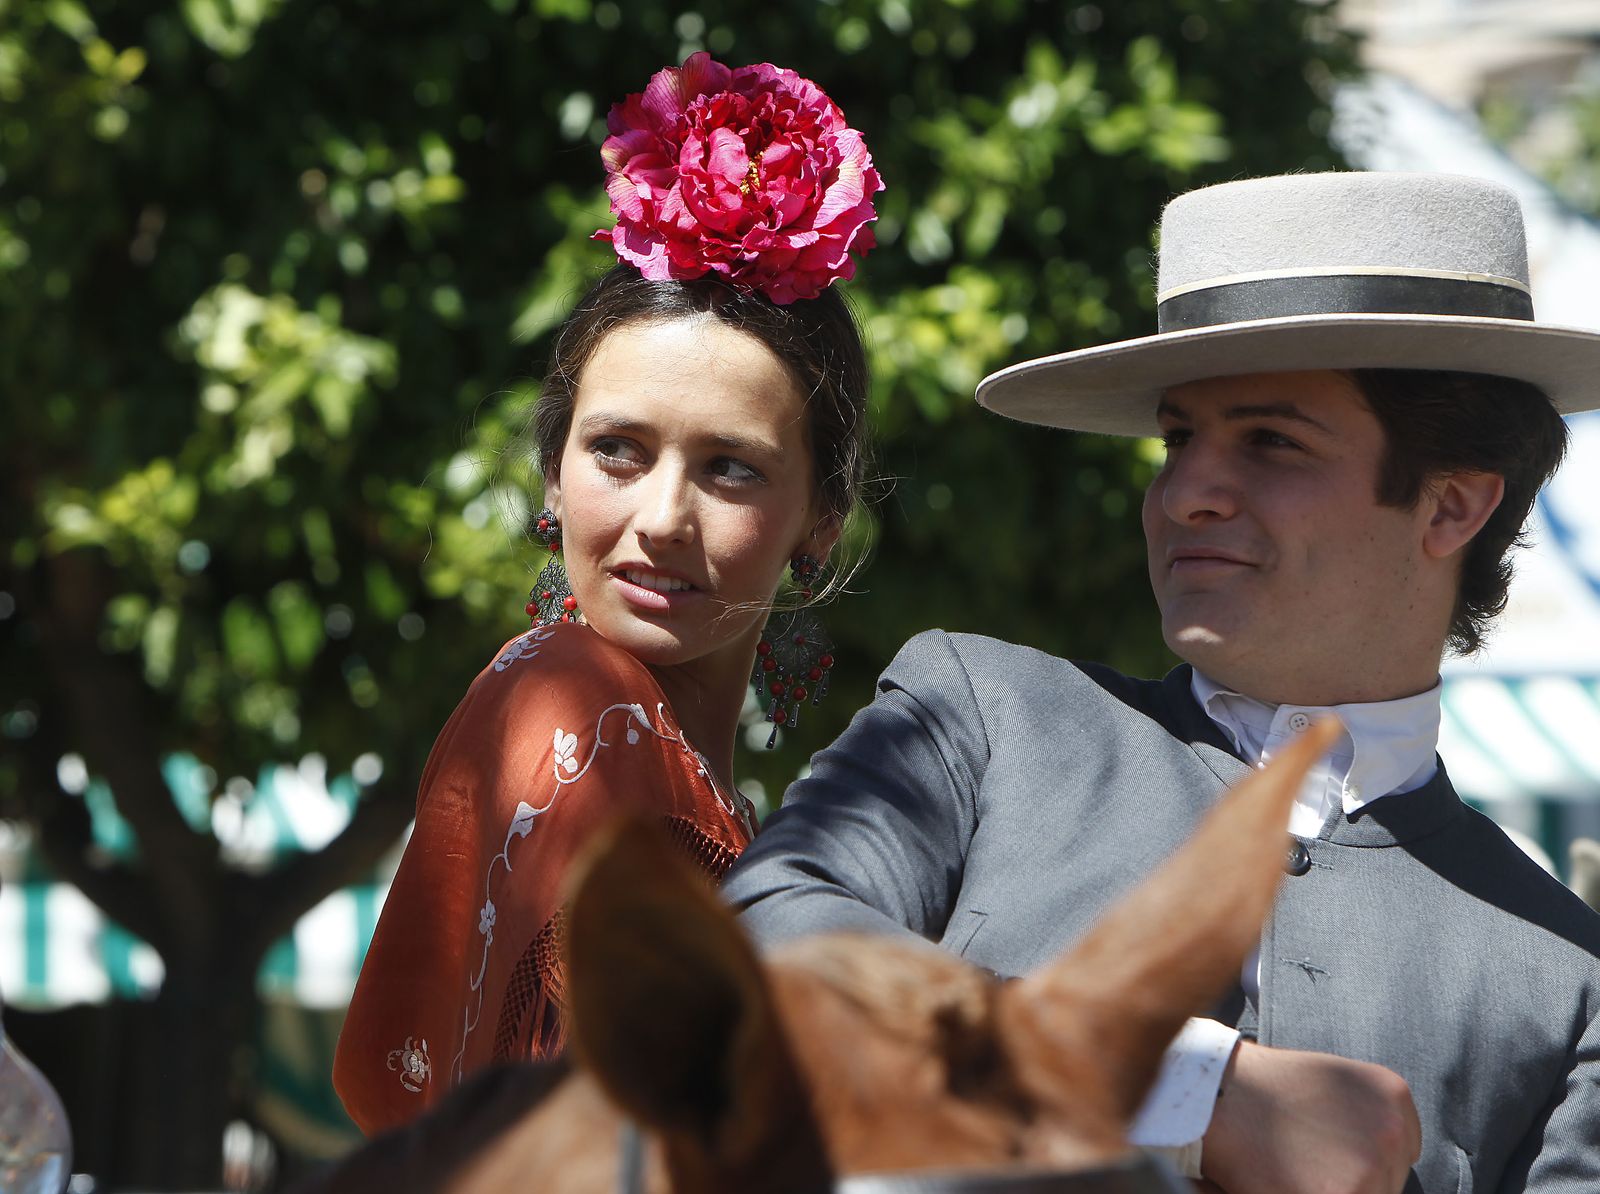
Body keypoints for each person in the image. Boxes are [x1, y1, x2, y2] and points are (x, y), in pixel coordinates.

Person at [724, 171, 1600, 1193]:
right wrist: (1191, 1095)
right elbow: (751, 947)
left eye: (1270, 441)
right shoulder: (988, 717)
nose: (1183, 492)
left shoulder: (1569, 983)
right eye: (1179, 438)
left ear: (1450, 506)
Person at [333, 51, 880, 1135]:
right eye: (617, 452)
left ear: (822, 518)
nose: (662, 518)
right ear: (554, 474)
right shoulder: (576, 713)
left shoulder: (697, 791)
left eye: (730, 468)